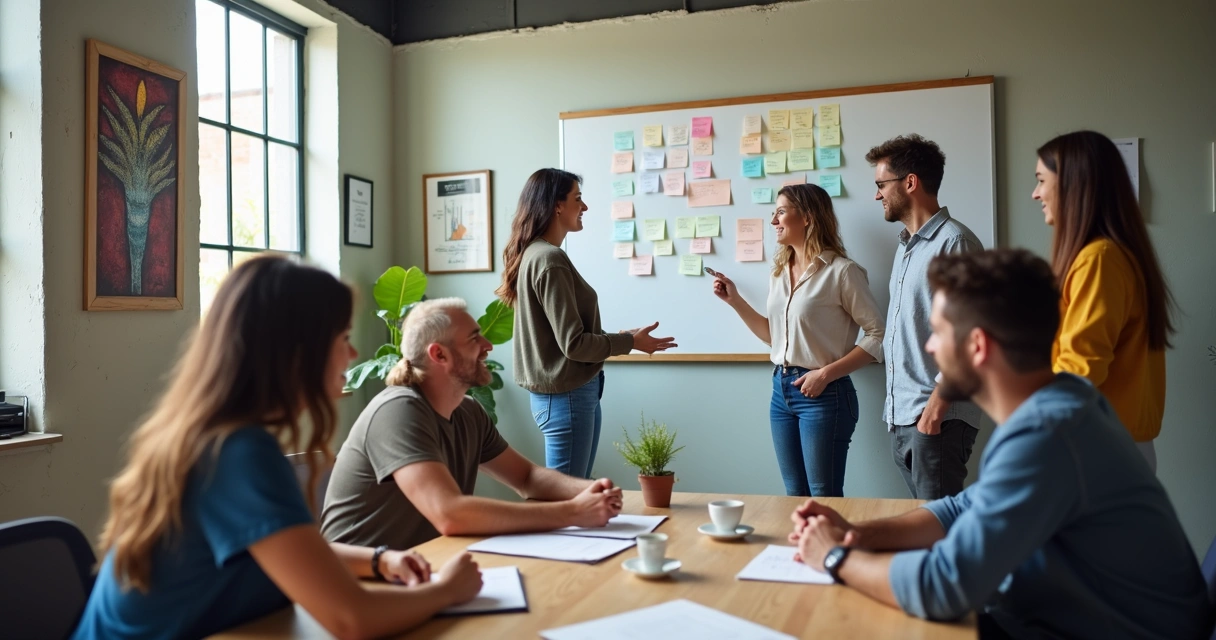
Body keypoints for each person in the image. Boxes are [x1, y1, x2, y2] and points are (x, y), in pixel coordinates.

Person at [789, 249, 1211, 640]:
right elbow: (963, 508)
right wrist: (855, 534)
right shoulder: (1062, 400)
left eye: (936, 333)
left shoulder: (1047, 432)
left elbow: (945, 586)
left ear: (977, 346)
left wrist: (833, 557)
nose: (930, 347)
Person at [72, 256, 482, 640]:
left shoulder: (215, 438)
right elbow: (351, 617)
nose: (353, 353)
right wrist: (446, 591)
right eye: (343, 337)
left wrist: (377, 560)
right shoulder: (238, 454)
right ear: (297, 352)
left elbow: (290, 550)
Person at [321, 298, 624, 551]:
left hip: (425, 569)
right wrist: (573, 512)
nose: (488, 345)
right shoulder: (397, 411)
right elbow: (449, 513)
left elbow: (527, 477)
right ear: (439, 354)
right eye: (474, 338)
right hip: (361, 586)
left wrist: (590, 491)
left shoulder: (468, 412)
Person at [497, 168, 677, 479]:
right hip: (567, 398)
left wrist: (623, 337)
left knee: (572, 494)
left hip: (565, 396)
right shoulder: (549, 259)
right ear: (557, 206)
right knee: (565, 502)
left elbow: (563, 337)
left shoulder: (536, 255)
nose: (585, 207)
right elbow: (574, 345)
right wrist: (630, 343)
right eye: (577, 199)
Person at [709, 184, 883, 497]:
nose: (773, 221)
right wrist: (735, 301)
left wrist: (825, 374)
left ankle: (831, 548)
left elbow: (879, 335)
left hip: (826, 394)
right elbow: (774, 338)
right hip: (781, 390)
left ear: (807, 217)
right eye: (773, 213)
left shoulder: (843, 272)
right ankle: (802, 548)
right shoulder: (779, 272)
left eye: (781, 212)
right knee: (794, 493)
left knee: (823, 493)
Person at [1033, 130, 1176, 473]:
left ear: (1073, 184)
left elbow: (1079, 367)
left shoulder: (1099, 259)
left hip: (1097, 448)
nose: (1035, 193)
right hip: (1109, 443)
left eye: (1041, 180)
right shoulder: (1112, 255)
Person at [866, 134, 985, 500]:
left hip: (936, 419)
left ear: (910, 182)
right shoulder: (907, 248)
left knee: (938, 536)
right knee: (926, 528)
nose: (876, 195)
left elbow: (970, 337)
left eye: (881, 185)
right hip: (904, 417)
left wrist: (933, 412)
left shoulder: (955, 244)